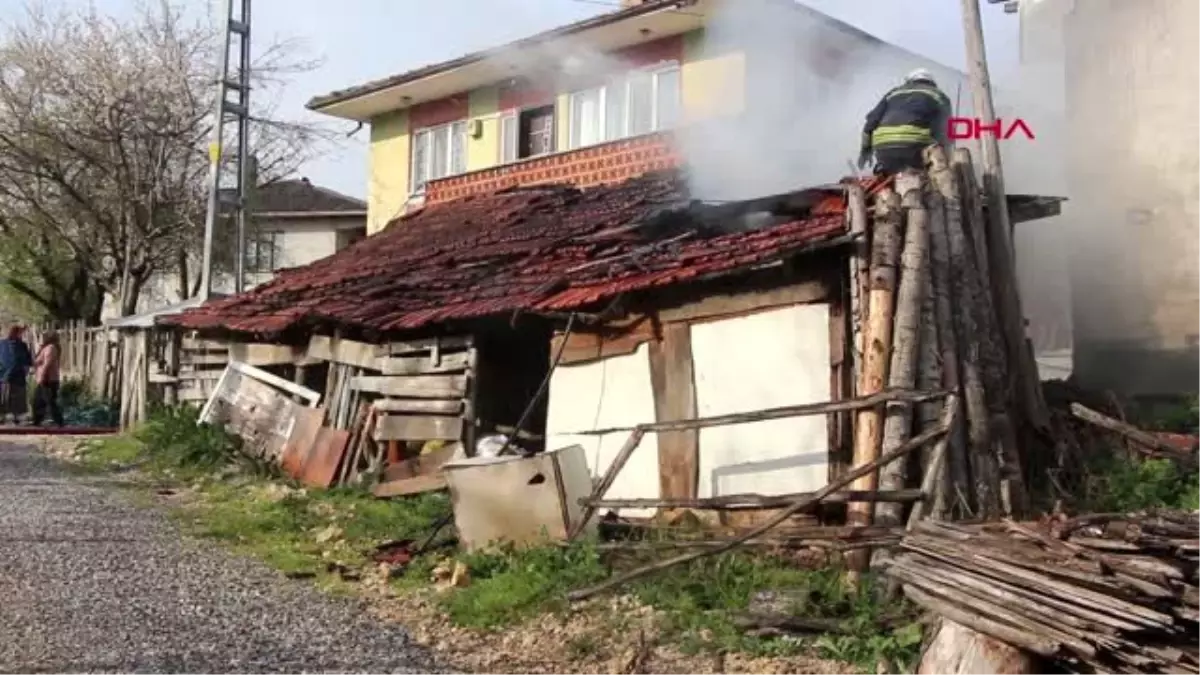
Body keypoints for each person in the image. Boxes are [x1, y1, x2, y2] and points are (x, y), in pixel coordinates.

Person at [858, 68, 953, 175]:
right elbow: (947, 130)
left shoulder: (892, 93)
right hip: (915, 149)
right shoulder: (938, 95)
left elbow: (871, 122)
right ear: (932, 83)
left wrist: (865, 150)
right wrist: (948, 155)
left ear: (909, 81)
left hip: (884, 148)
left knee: (892, 176)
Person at [0, 325, 33, 424]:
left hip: (6, 375)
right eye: (21, 333)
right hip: (12, 374)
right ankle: (13, 416)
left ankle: (8, 416)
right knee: (13, 396)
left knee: (6, 396)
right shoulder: (20, 345)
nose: (21, 335)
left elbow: (26, 362)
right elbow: (26, 362)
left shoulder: (3, 344)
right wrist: (26, 371)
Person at [32, 329, 63, 427]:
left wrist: (42, 376)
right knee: (38, 401)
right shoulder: (45, 348)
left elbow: (47, 363)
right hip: (44, 378)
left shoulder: (51, 348)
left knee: (49, 401)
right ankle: (37, 421)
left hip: (48, 379)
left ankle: (59, 421)